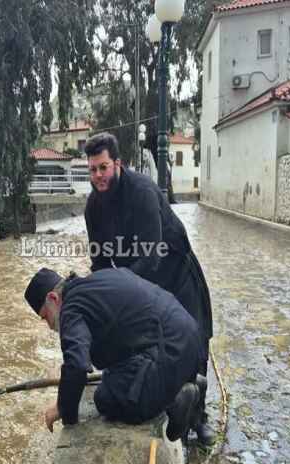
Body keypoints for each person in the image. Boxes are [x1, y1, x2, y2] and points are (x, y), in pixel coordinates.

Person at [83, 132, 217, 445]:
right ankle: (171, 397)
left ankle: (198, 419)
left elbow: (151, 257)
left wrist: (122, 292)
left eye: (103, 167)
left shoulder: (141, 192)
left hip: (175, 274)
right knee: (147, 345)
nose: (98, 176)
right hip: (140, 281)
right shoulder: (93, 208)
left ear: (118, 164)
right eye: (92, 170)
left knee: (193, 342)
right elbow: (100, 262)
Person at [25, 267, 201, 441]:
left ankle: (175, 400)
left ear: (53, 298)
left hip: (168, 351)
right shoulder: (100, 279)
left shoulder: (71, 309)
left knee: (106, 397)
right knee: (113, 374)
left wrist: (63, 409)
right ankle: (187, 380)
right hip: (190, 340)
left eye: (45, 316)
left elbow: (76, 365)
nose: (49, 325)